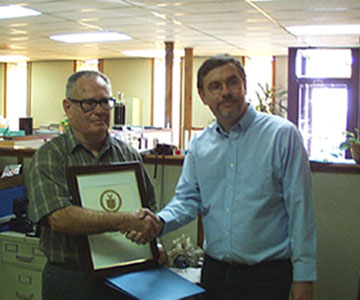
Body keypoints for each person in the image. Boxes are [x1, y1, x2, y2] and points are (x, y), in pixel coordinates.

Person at [130, 54, 317, 300]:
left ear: (244, 85)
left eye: (232, 82)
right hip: (215, 275)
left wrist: (304, 276)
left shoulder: (282, 136)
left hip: (268, 277)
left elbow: (300, 210)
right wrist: (159, 222)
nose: (225, 92)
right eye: (215, 86)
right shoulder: (200, 144)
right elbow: (187, 200)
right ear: (202, 95)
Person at [27, 70, 163, 300]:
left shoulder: (128, 154)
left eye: (106, 102)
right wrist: (124, 220)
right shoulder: (50, 156)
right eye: (89, 103)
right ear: (68, 107)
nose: (100, 110)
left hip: (126, 274)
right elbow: (59, 217)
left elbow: (149, 207)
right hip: (71, 279)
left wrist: (154, 243)